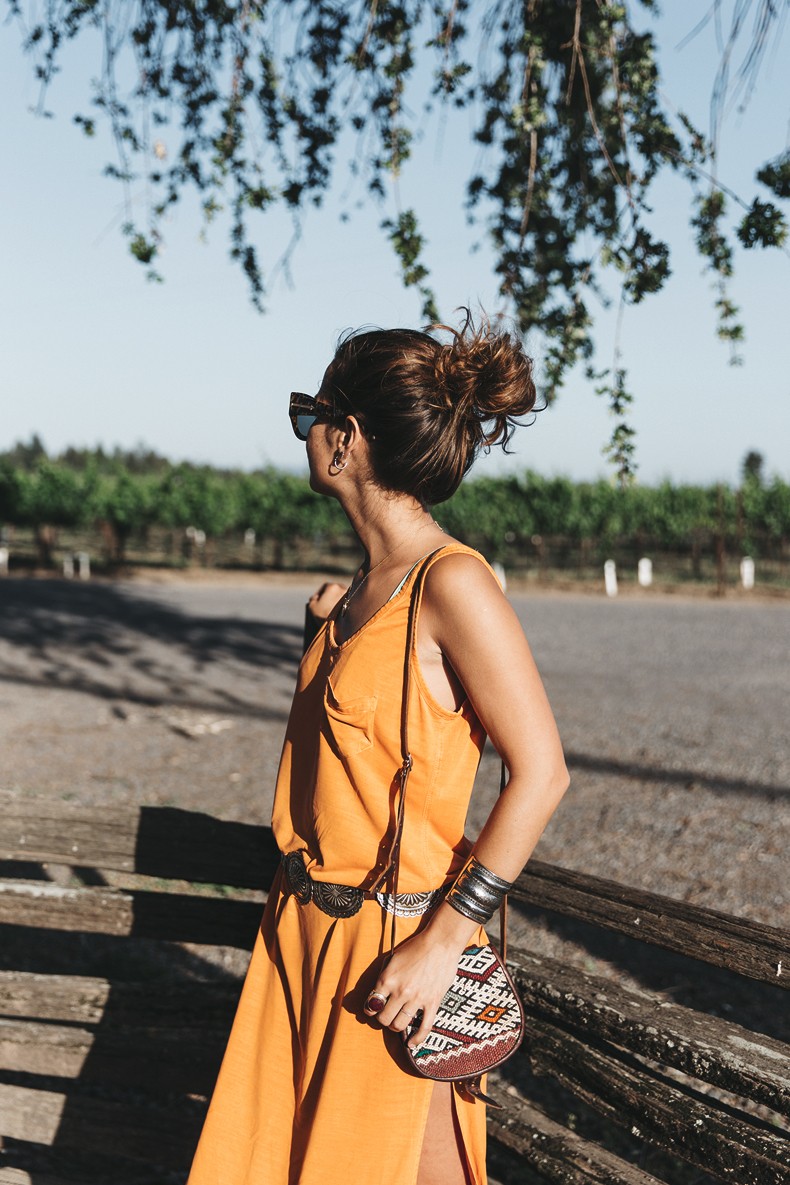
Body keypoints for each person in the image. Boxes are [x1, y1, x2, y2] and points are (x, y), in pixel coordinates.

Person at [187, 312, 569, 1185]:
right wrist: (328, 635)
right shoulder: (360, 592)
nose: (305, 433)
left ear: (345, 439)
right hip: (301, 939)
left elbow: (542, 770)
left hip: (394, 957)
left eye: (306, 414)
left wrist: (444, 941)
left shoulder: (454, 583)